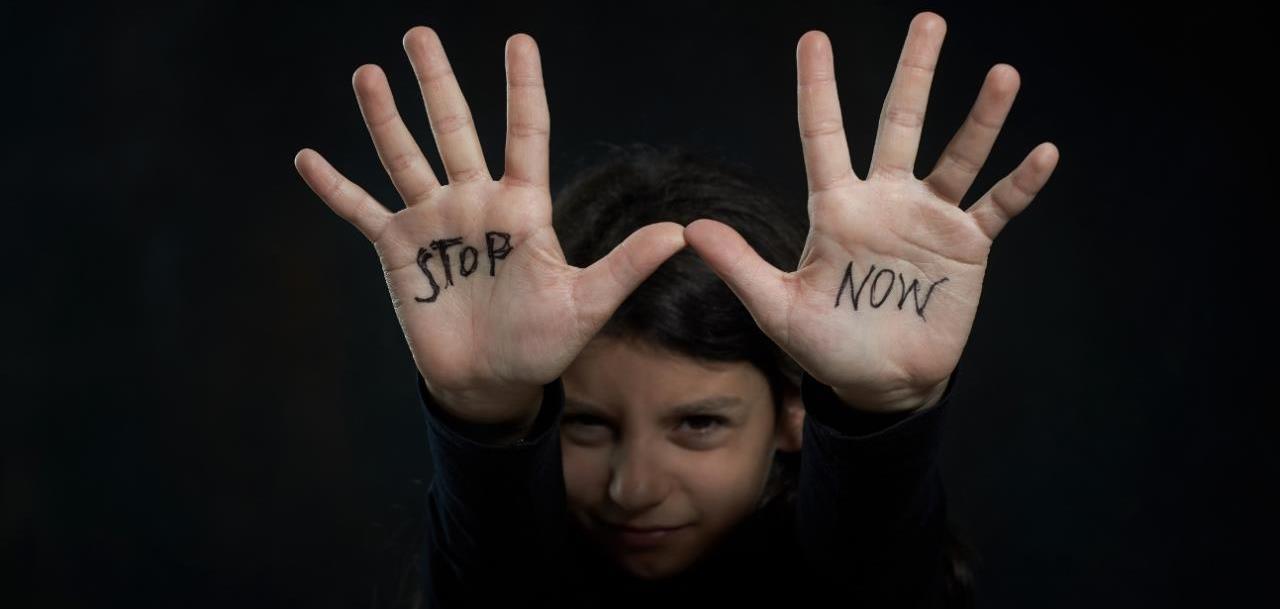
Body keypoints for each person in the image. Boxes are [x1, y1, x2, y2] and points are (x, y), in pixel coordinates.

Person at [293, 11, 1058, 608]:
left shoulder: (852, 570)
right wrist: (486, 413)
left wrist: (876, 413)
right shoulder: (509, 569)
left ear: (794, 409)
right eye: (585, 423)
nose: (633, 487)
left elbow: (870, 576)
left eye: (698, 424)